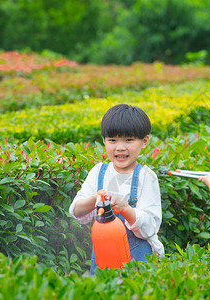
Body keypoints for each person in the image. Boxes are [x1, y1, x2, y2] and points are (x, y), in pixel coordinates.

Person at [69, 104, 164, 274]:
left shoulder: (146, 177)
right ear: (104, 141)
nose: (120, 147)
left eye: (129, 140)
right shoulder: (99, 172)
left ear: (144, 141)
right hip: (103, 259)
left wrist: (125, 209)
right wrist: (96, 200)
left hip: (139, 262)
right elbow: (76, 211)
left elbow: (150, 226)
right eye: (113, 140)